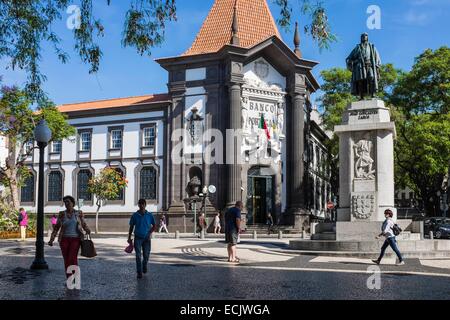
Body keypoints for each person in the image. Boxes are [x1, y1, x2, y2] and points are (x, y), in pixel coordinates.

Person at [48, 196, 91, 278]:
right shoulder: (62, 214)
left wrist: (87, 229)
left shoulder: (79, 213)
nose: (66, 204)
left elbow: (83, 223)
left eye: (68, 202)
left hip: (75, 239)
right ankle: (69, 277)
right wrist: (51, 240)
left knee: (72, 258)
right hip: (64, 240)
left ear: (73, 203)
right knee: (66, 259)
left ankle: (75, 277)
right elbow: (56, 227)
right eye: (65, 202)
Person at [128, 199, 156, 279]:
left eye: (143, 204)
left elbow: (154, 226)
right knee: (138, 255)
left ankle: (144, 265)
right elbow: (131, 226)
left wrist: (149, 233)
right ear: (138, 205)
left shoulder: (149, 215)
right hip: (138, 238)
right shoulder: (135, 215)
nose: (141, 205)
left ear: (145, 205)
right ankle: (139, 272)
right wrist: (129, 237)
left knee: (146, 255)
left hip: (147, 239)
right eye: (140, 204)